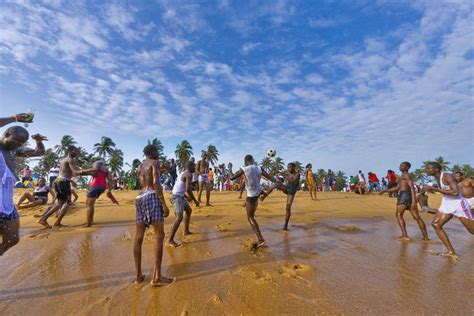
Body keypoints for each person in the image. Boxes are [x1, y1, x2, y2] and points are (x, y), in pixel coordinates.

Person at [1, 113, 46, 255]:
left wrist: (38, 141)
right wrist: (14, 118)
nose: (17, 145)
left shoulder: (14, 150)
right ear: (6, 134)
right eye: (15, 142)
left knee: (13, 238)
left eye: (20, 144)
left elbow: (39, 152)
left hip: (6, 202)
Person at [133, 145, 174, 286]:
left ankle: (138, 276)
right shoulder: (154, 162)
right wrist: (163, 203)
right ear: (151, 153)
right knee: (159, 236)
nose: (158, 153)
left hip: (140, 198)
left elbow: (146, 180)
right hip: (151, 196)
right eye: (156, 151)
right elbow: (156, 183)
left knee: (138, 237)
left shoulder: (140, 166)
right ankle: (157, 276)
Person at [418, 163, 473, 259]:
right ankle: (451, 251)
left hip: (458, 204)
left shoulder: (447, 176)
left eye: (429, 168)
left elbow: (455, 192)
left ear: (436, 169)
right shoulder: (437, 177)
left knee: (472, 231)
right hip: (447, 202)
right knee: (436, 224)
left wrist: (433, 188)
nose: (426, 170)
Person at [229, 155, 278, 248]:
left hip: (251, 196)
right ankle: (246, 203)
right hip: (257, 194)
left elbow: (232, 178)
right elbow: (270, 177)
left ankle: (261, 239)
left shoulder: (245, 168)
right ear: (252, 160)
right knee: (252, 213)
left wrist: (230, 168)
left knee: (250, 218)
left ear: (246, 161)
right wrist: (277, 181)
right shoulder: (259, 168)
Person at [379, 162, 429, 241]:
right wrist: (385, 190)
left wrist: (413, 201)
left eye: (402, 165)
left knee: (398, 214)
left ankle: (405, 235)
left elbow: (412, 187)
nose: (400, 166)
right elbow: (397, 188)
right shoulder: (402, 176)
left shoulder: (406, 175)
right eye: (400, 165)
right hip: (407, 195)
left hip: (404, 195)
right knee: (417, 217)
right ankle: (426, 237)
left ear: (407, 168)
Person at [38, 146, 83, 228]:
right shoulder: (70, 160)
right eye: (76, 151)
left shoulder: (63, 160)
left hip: (58, 181)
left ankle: (45, 219)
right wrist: (89, 172)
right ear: (70, 151)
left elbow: (67, 172)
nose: (77, 153)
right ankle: (54, 221)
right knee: (66, 202)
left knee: (60, 203)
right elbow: (75, 172)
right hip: (64, 182)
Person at [168, 161, 199, 247]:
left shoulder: (183, 173)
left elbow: (179, 187)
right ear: (191, 167)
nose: (195, 168)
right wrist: (195, 200)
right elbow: (188, 189)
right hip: (176, 197)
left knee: (189, 211)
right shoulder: (189, 174)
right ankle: (170, 240)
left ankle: (186, 231)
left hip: (179, 196)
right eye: (194, 166)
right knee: (179, 218)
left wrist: (185, 196)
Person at [82, 161, 114, 227]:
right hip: (102, 187)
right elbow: (110, 180)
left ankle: (88, 224)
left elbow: (89, 173)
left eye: (94, 165)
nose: (93, 166)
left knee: (89, 205)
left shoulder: (97, 169)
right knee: (90, 204)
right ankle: (91, 220)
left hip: (94, 187)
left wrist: (80, 172)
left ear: (98, 165)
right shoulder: (106, 170)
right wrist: (109, 190)